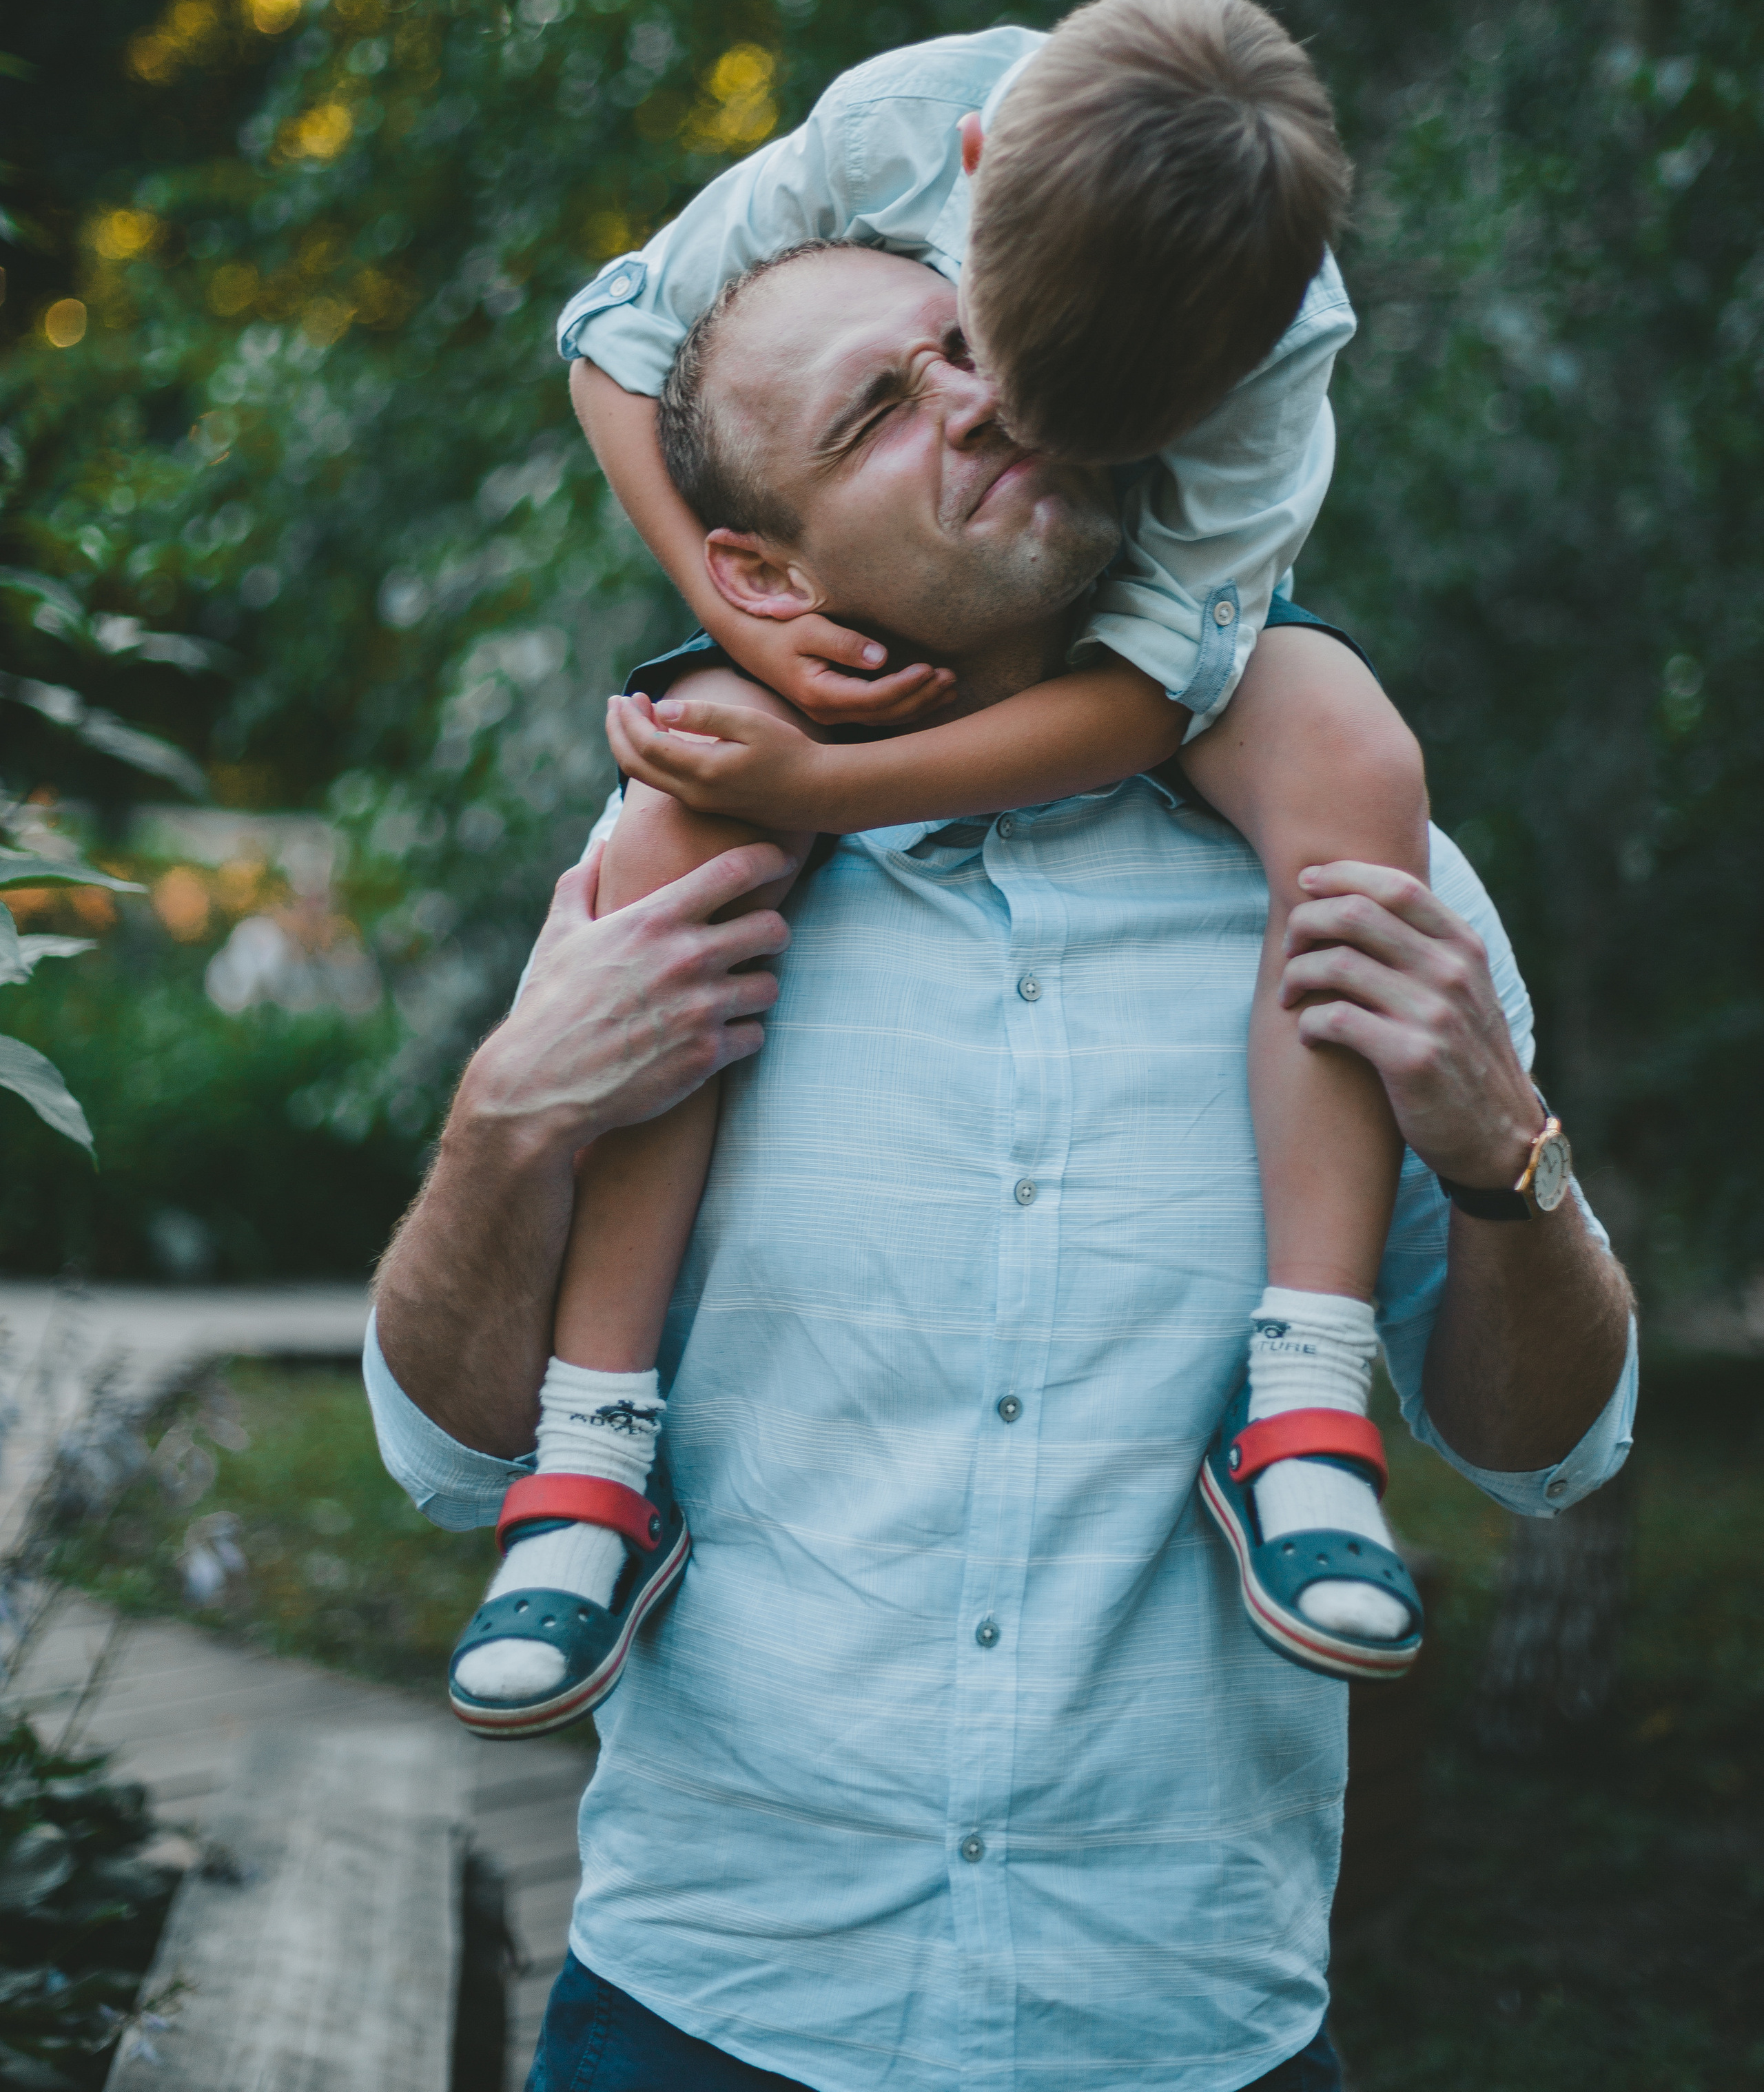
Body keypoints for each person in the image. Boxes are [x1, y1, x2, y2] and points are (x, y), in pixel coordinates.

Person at [371, 242, 1636, 2091]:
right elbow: (437, 1456)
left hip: (1191, 2025)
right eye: (878, 409)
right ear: (757, 572)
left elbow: (1548, 1456)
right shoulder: (673, 887)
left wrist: (1506, 1159)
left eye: (972, 350)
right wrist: (506, 1121)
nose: (971, 396)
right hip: (710, 2014)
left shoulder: (1367, 880)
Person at [449, 0, 1443, 1728]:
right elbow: (616, 340)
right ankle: (593, 1449)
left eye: (1082, 425)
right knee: (684, 810)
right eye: (982, 365)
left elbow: (1152, 691)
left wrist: (825, 788)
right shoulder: (894, 126)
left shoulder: (1275, 351)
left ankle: (1303, 1389)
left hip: (1160, 628)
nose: (996, 419)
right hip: (875, 602)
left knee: (1353, 758)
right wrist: (731, 607)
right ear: (967, 180)